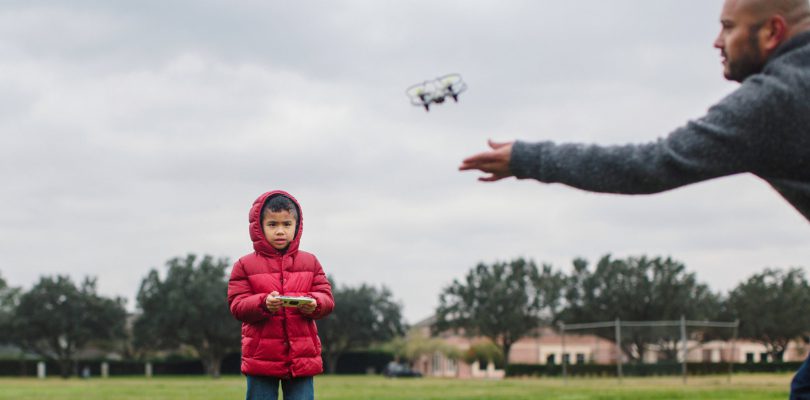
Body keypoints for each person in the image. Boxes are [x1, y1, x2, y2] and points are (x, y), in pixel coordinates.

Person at [459, 0, 810, 397]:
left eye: (728, 28)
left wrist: (529, 158)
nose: (717, 42)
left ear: (772, 32)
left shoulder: (774, 100)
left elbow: (651, 164)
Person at [228, 190, 334, 400]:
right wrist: (263, 303)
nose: (280, 231)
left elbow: (327, 298)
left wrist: (315, 304)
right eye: (272, 224)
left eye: (286, 224)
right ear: (259, 227)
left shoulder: (310, 262)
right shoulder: (244, 265)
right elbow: (237, 305)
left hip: (301, 359)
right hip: (261, 359)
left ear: (297, 226)